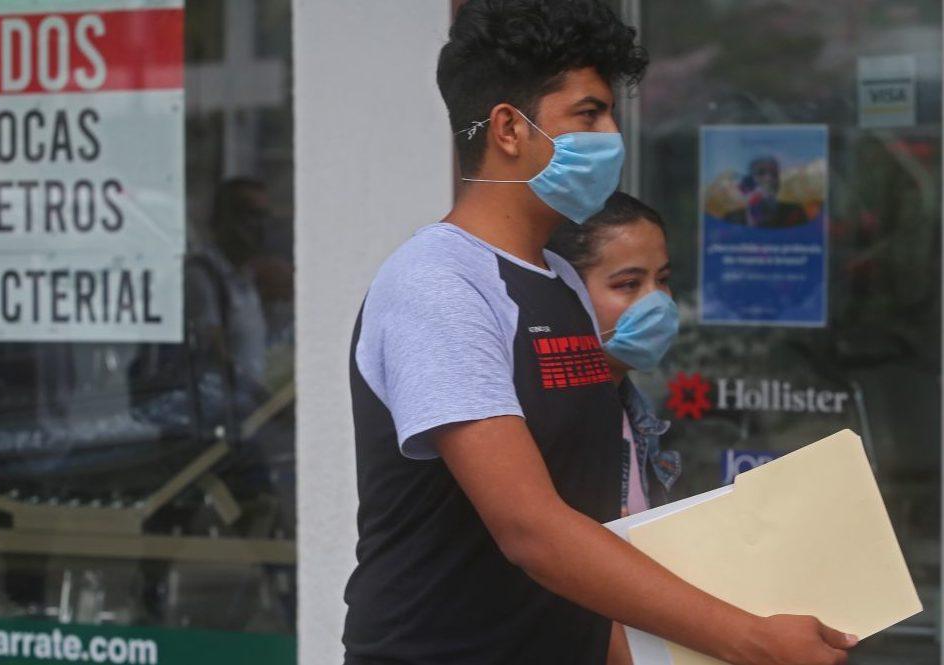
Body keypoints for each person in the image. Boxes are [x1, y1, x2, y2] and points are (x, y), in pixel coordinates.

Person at [342, 1, 858, 664]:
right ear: (508, 128)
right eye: (589, 115)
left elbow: (595, 529)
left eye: (611, 114)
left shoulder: (560, 279)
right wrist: (749, 638)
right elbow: (531, 529)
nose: (612, 135)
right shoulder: (437, 283)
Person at [548, 191, 684, 664]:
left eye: (662, 280)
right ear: (568, 293)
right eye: (628, 284)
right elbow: (570, 586)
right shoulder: (551, 420)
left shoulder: (631, 411)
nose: (657, 303)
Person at [724, 156, 809, 228]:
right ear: (748, 181)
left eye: (774, 174)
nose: (769, 178)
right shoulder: (731, 220)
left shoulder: (795, 213)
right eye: (761, 173)